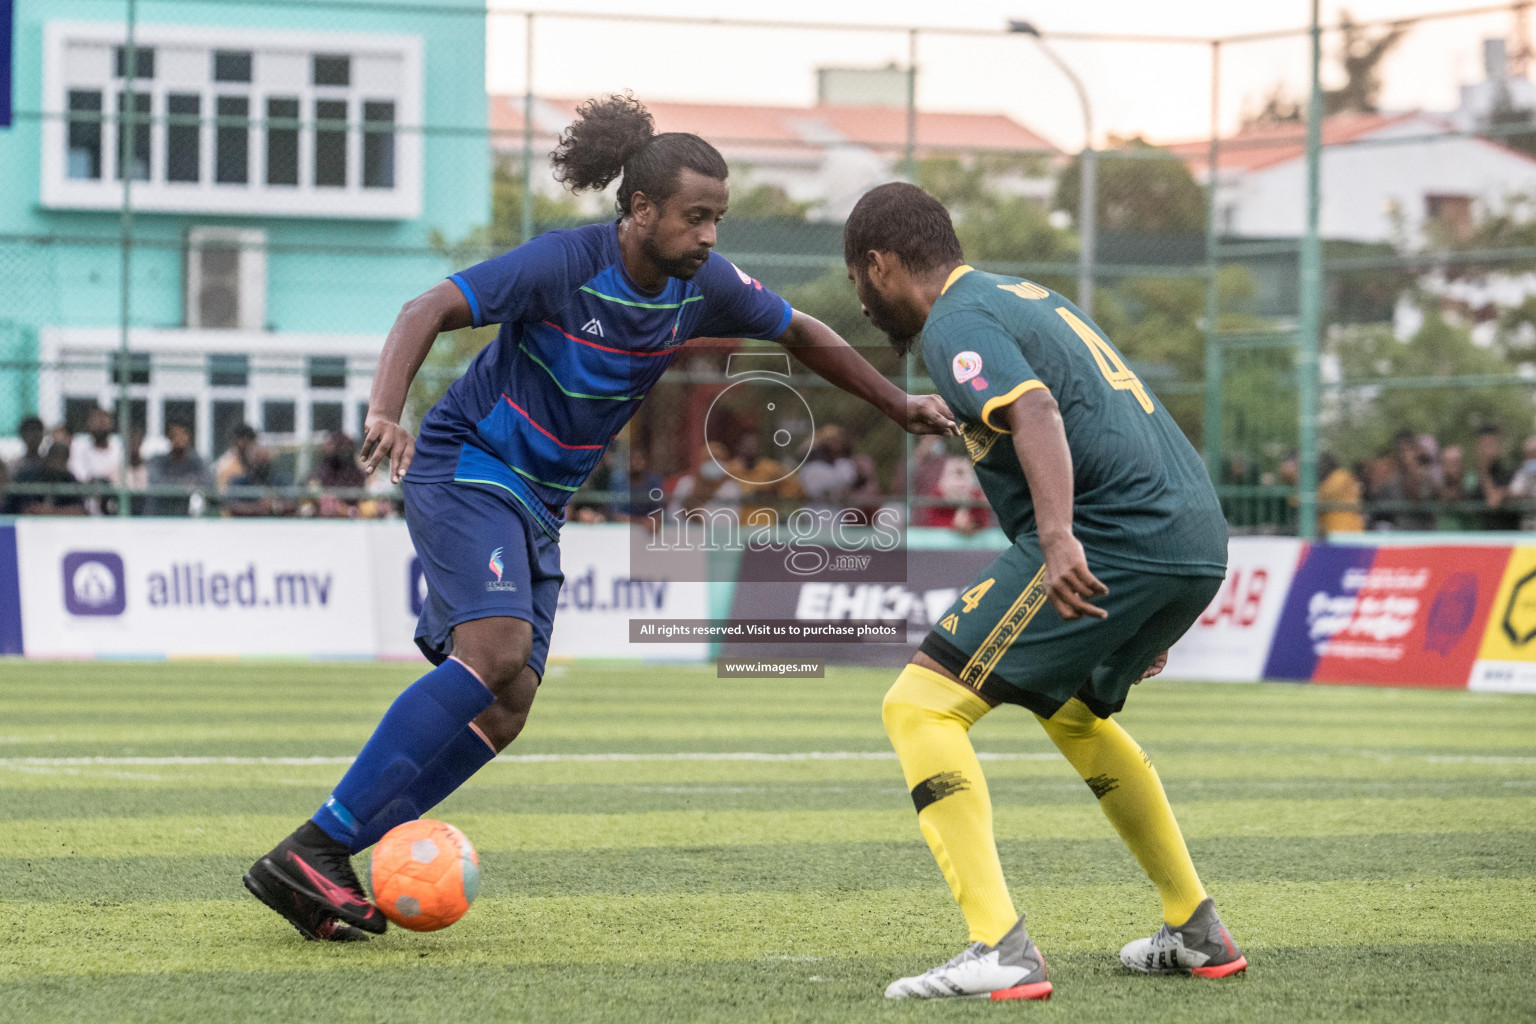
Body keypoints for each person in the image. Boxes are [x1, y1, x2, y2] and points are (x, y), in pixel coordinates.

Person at [242, 93, 957, 942]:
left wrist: (899, 401)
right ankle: (319, 842)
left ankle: (321, 860)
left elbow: (803, 332)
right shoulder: (562, 263)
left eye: (719, 220)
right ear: (641, 209)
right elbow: (421, 310)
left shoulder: (705, 286)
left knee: (508, 707)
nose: (710, 237)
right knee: (495, 652)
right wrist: (387, 410)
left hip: (538, 504)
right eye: (696, 218)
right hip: (468, 464)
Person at [843, 182, 1243, 1001]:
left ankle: (1000, 948)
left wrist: (1060, 540)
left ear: (880, 265)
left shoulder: (954, 321)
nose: (862, 302)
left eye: (858, 282)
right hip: (1187, 537)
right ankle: (1197, 930)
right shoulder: (1023, 297)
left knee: (920, 706)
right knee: (1071, 710)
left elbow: (1036, 410)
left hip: (1112, 535)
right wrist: (1158, 581)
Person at [144, 422, 212, 516]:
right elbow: (156, 483)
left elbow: (208, 483)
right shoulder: (158, 461)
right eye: (175, 435)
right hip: (161, 515)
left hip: (187, 516)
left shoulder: (197, 462)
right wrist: (186, 484)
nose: (179, 439)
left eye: (183, 434)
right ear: (169, 437)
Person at [67, 407, 123, 515]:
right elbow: (80, 477)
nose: (100, 424)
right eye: (96, 420)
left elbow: (118, 478)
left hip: (112, 503)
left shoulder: (119, 446)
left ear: (112, 424)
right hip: (86, 501)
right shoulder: (79, 445)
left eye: (104, 420)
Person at [1474, 424, 1520, 531]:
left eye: (1490, 445)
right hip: (1483, 540)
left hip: (1507, 540)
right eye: (1483, 446)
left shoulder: (1510, 475)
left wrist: (1484, 469)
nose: (1486, 451)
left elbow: (1492, 501)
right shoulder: (1474, 480)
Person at [1316, 452, 1365, 535]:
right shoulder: (1329, 479)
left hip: (1345, 529)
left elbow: (1322, 497)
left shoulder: (1339, 476)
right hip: (1331, 530)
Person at [214, 423, 258, 493]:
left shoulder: (257, 463)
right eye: (244, 441)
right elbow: (223, 492)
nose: (249, 447)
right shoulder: (226, 464)